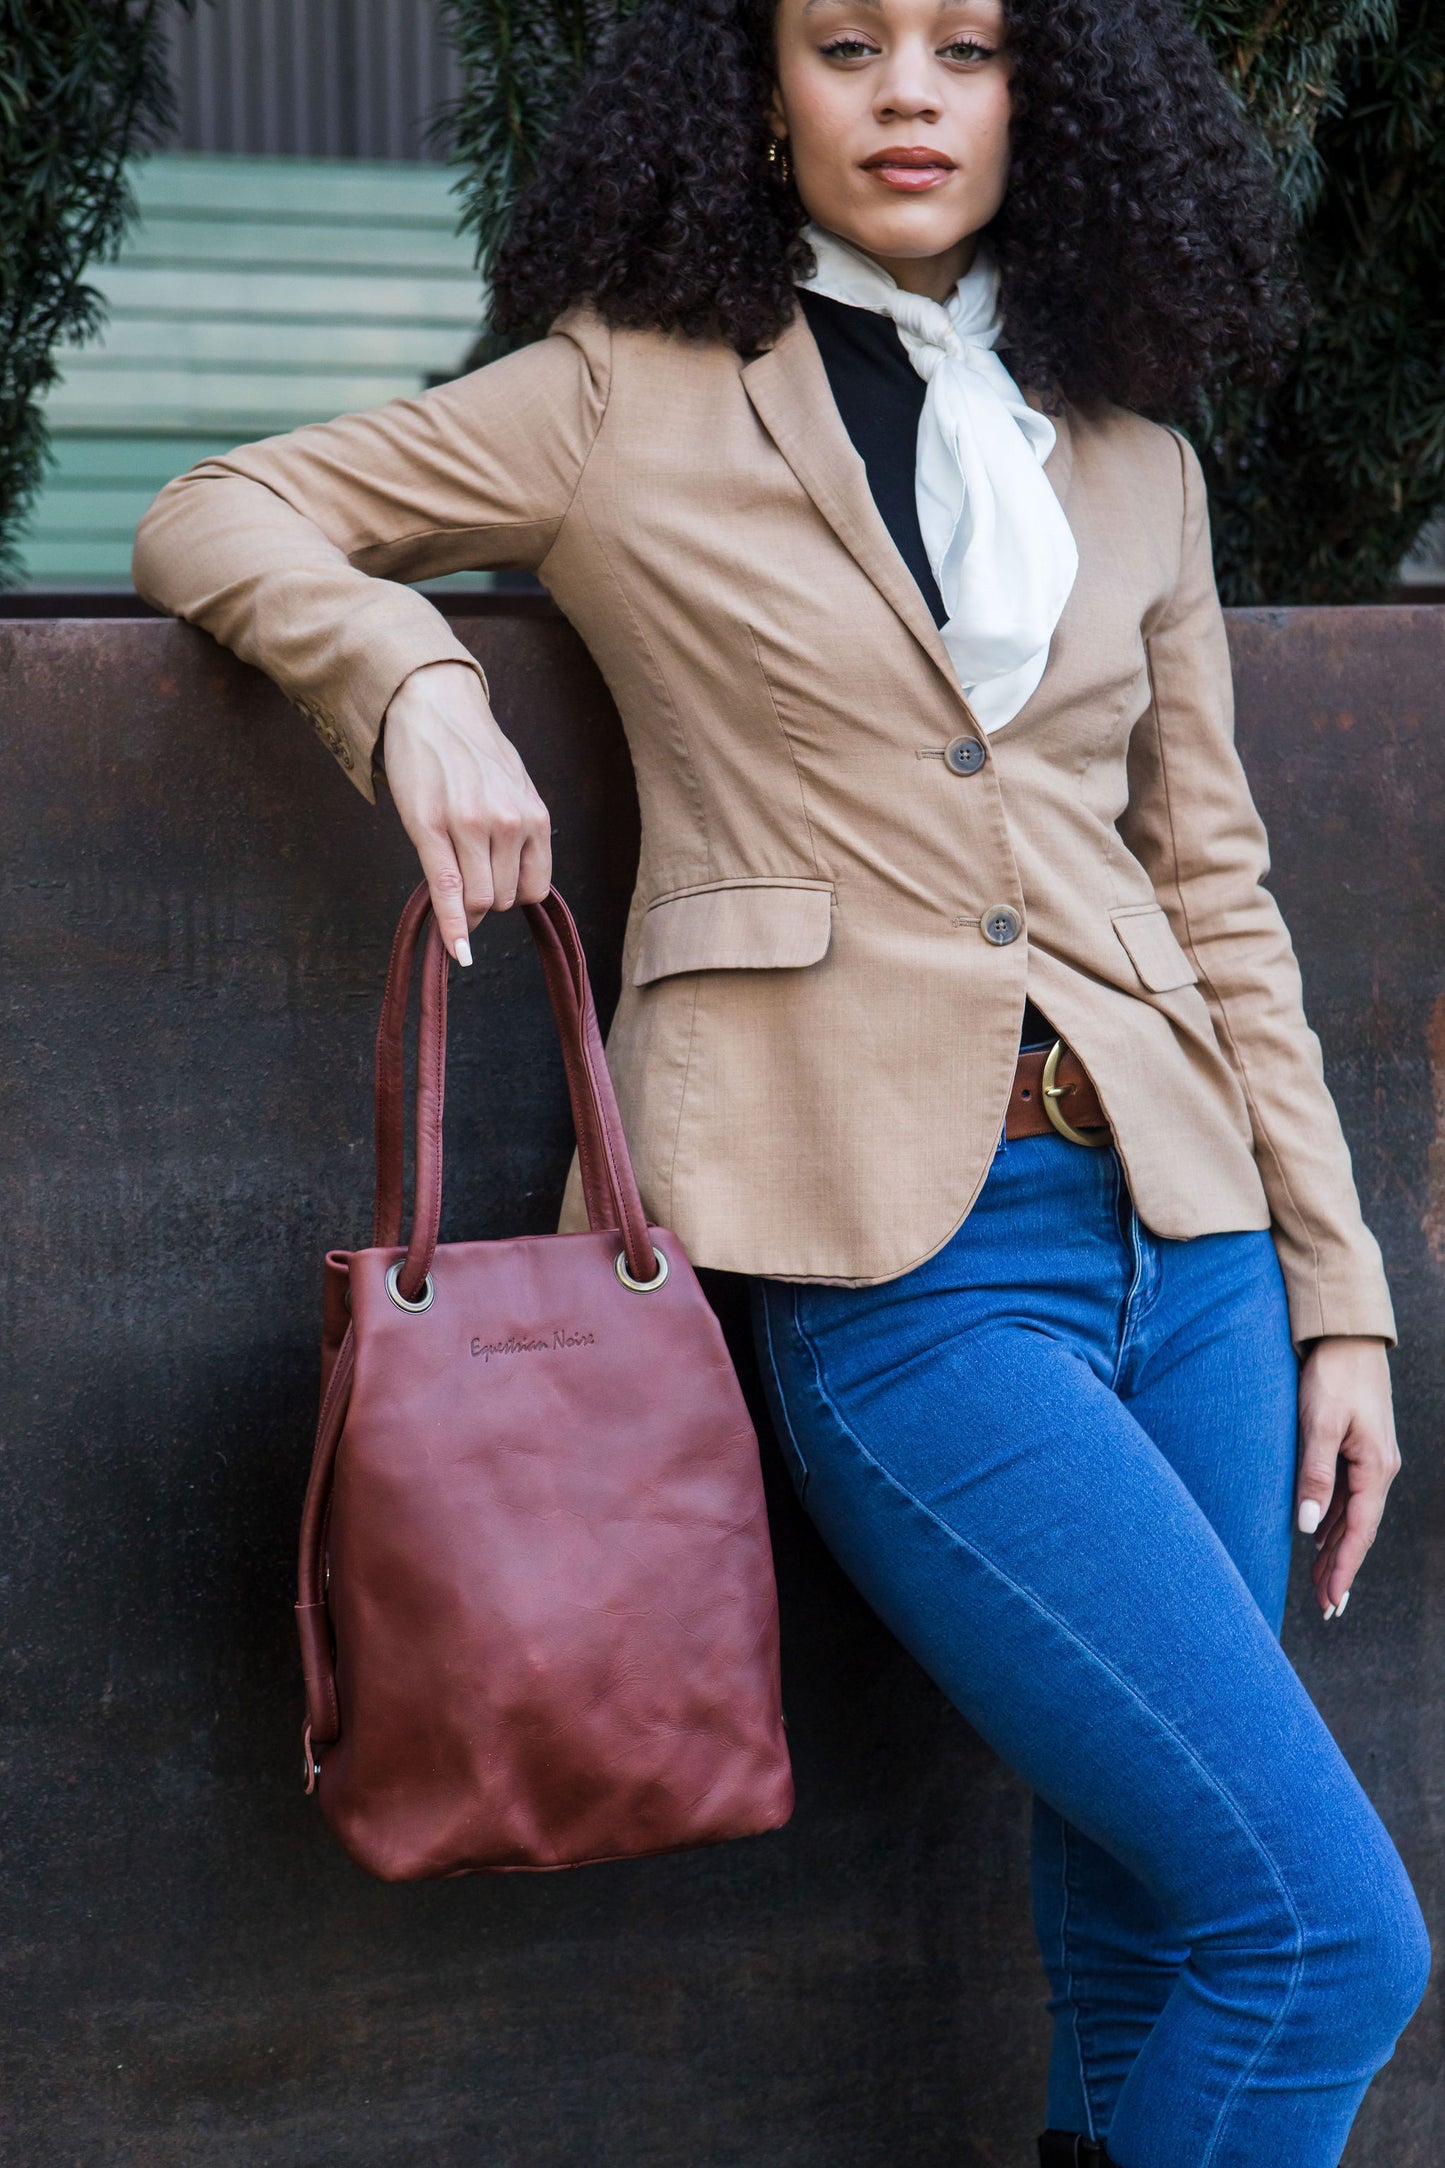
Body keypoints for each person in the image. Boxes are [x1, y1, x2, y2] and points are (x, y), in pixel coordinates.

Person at [132, 0, 1432, 2158]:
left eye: (966, 48)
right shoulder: (615, 396)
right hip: (901, 1258)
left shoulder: (1131, 457)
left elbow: (1217, 891)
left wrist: (1340, 1291)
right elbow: (220, 506)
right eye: (847, 42)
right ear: (758, 92)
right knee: (1322, 1941)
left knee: (1153, 1927)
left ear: (1043, 100)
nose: (909, 90)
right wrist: (416, 681)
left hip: (1191, 1235)